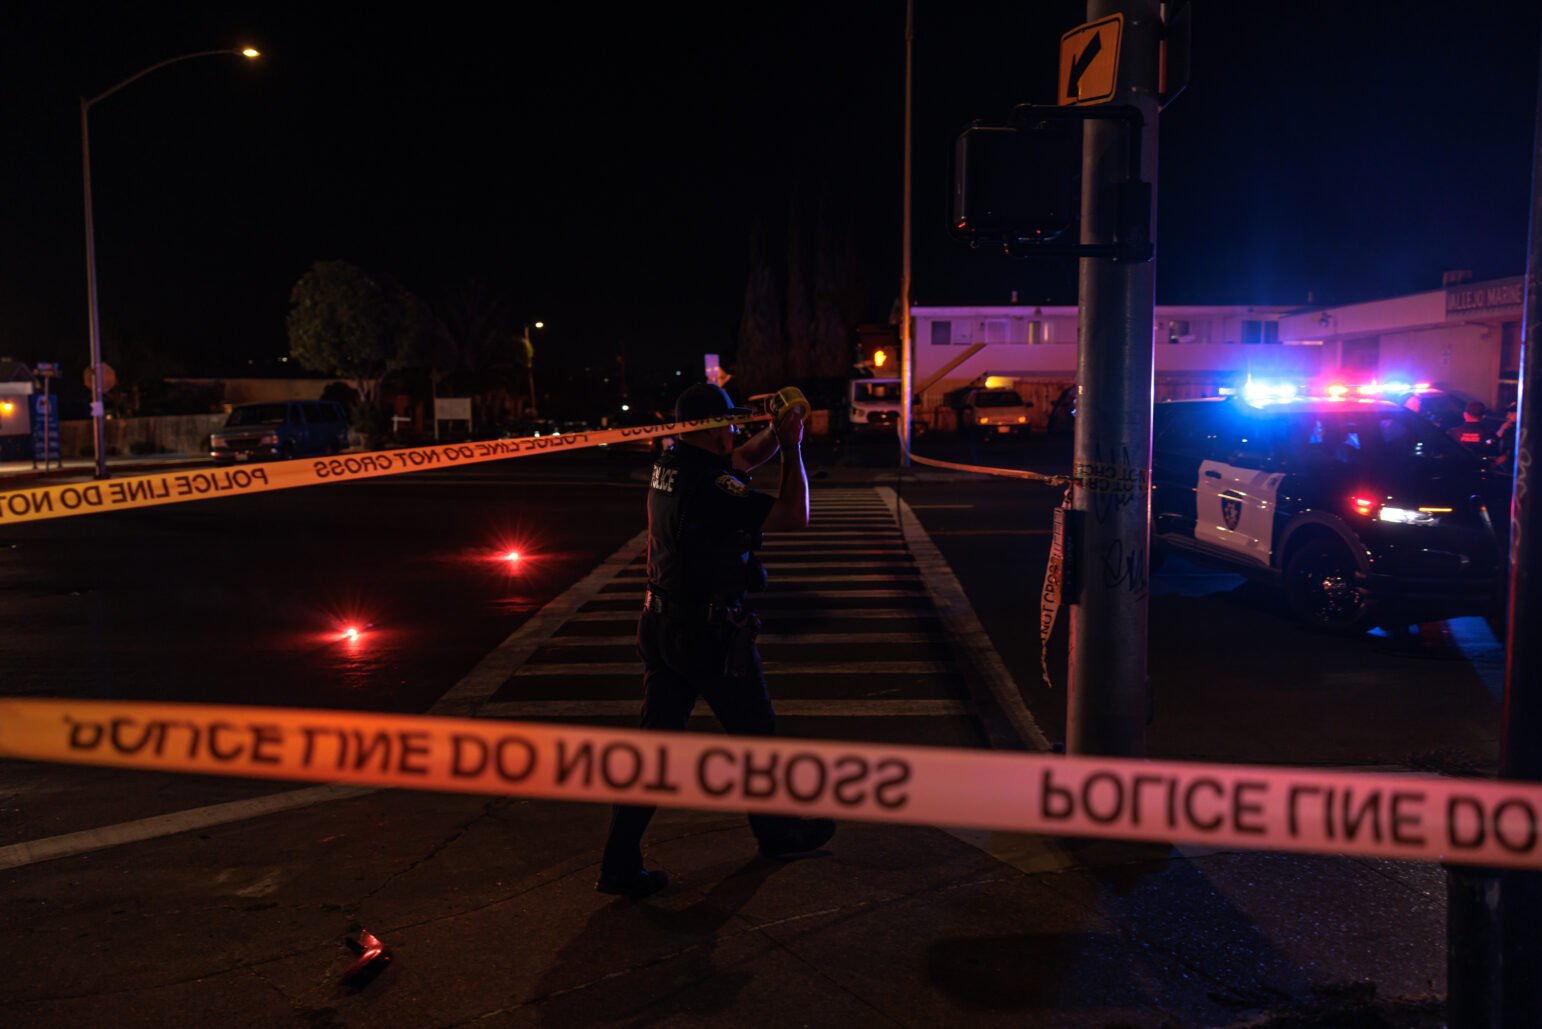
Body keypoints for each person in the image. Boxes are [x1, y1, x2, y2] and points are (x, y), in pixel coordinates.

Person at [597, 382, 834, 898]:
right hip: (704, 633)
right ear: (705, 429)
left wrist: (776, 429)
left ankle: (618, 861)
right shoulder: (708, 484)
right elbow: (795, 516)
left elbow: (744, 456)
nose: (734, 429)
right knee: (756, 736)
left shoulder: (673, 464)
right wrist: (792, 448)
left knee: (653, 749)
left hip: (661, 625)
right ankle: (776, 835)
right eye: (727, 422)